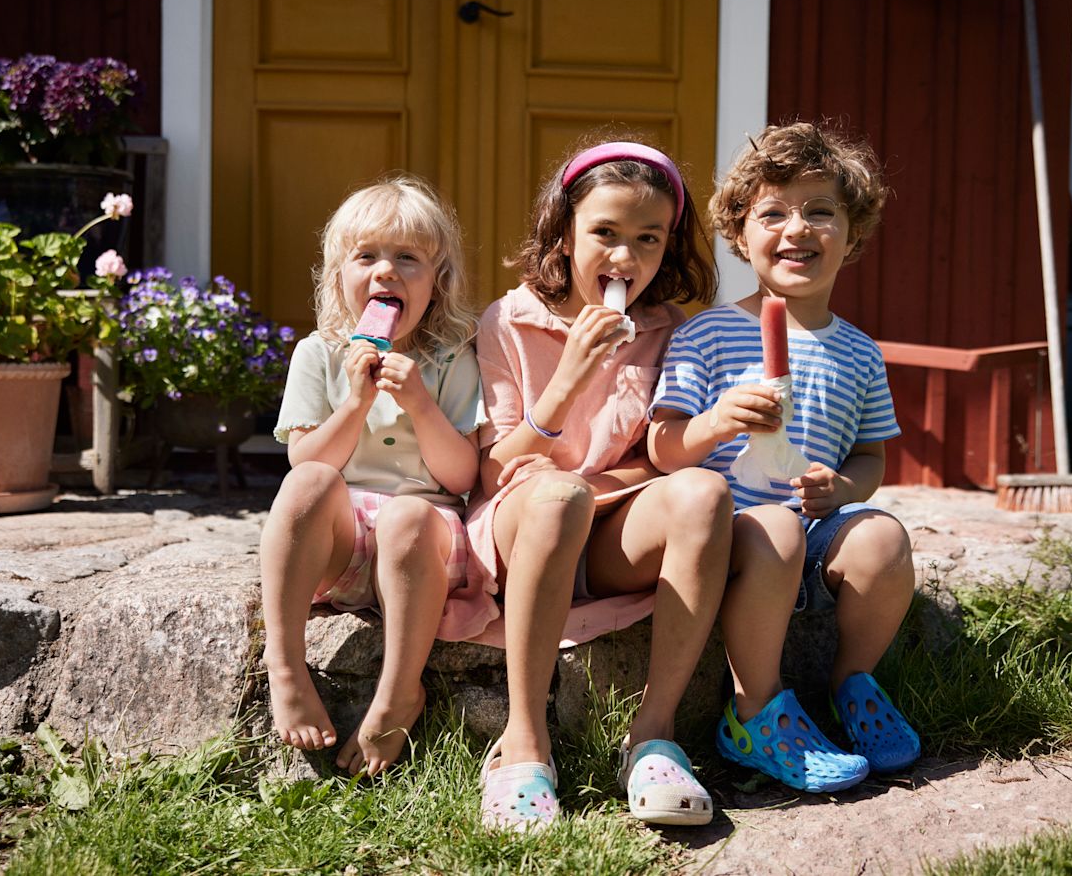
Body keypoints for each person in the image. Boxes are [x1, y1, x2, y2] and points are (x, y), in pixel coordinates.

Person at [464, 140, 731, 830]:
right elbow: (494, 469)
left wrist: (595, 482)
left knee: (703, 494)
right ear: (563, 232)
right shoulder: (508, 321)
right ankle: (523, 743)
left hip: (609, 532)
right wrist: (566, 383)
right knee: (558, 495)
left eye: (648, 239)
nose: (625, 257)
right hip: (523, 526)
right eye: (605, 233)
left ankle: (653, 736)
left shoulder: (670, 331)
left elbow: (665, 459)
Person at [648, 120, 920, 792]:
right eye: (773, 212)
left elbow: (870, 458)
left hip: (814, 525)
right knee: (770, 526)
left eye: (820, 211)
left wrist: (843, 489)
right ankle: (756, 710)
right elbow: (662, 446)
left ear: (852, 236)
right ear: (740, 236)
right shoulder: (708, 334)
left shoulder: (859, 351)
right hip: (737, 535)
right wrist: (715, 422)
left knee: (884, 537)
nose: (796, 228)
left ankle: (851, 683)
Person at [260, 176, 485, 778]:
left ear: (437, 284)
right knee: (304, 486)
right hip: (342, 546)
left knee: (411, 514)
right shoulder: (319, 353)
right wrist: (354, 404)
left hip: (422, 544)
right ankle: (286, 667)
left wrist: (420, 404)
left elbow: (462, 473)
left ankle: (397, 694)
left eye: (407, 259)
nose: (385, 272)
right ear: (340, 277)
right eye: (367, 257)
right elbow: (305, 463)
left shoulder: (451, 357)